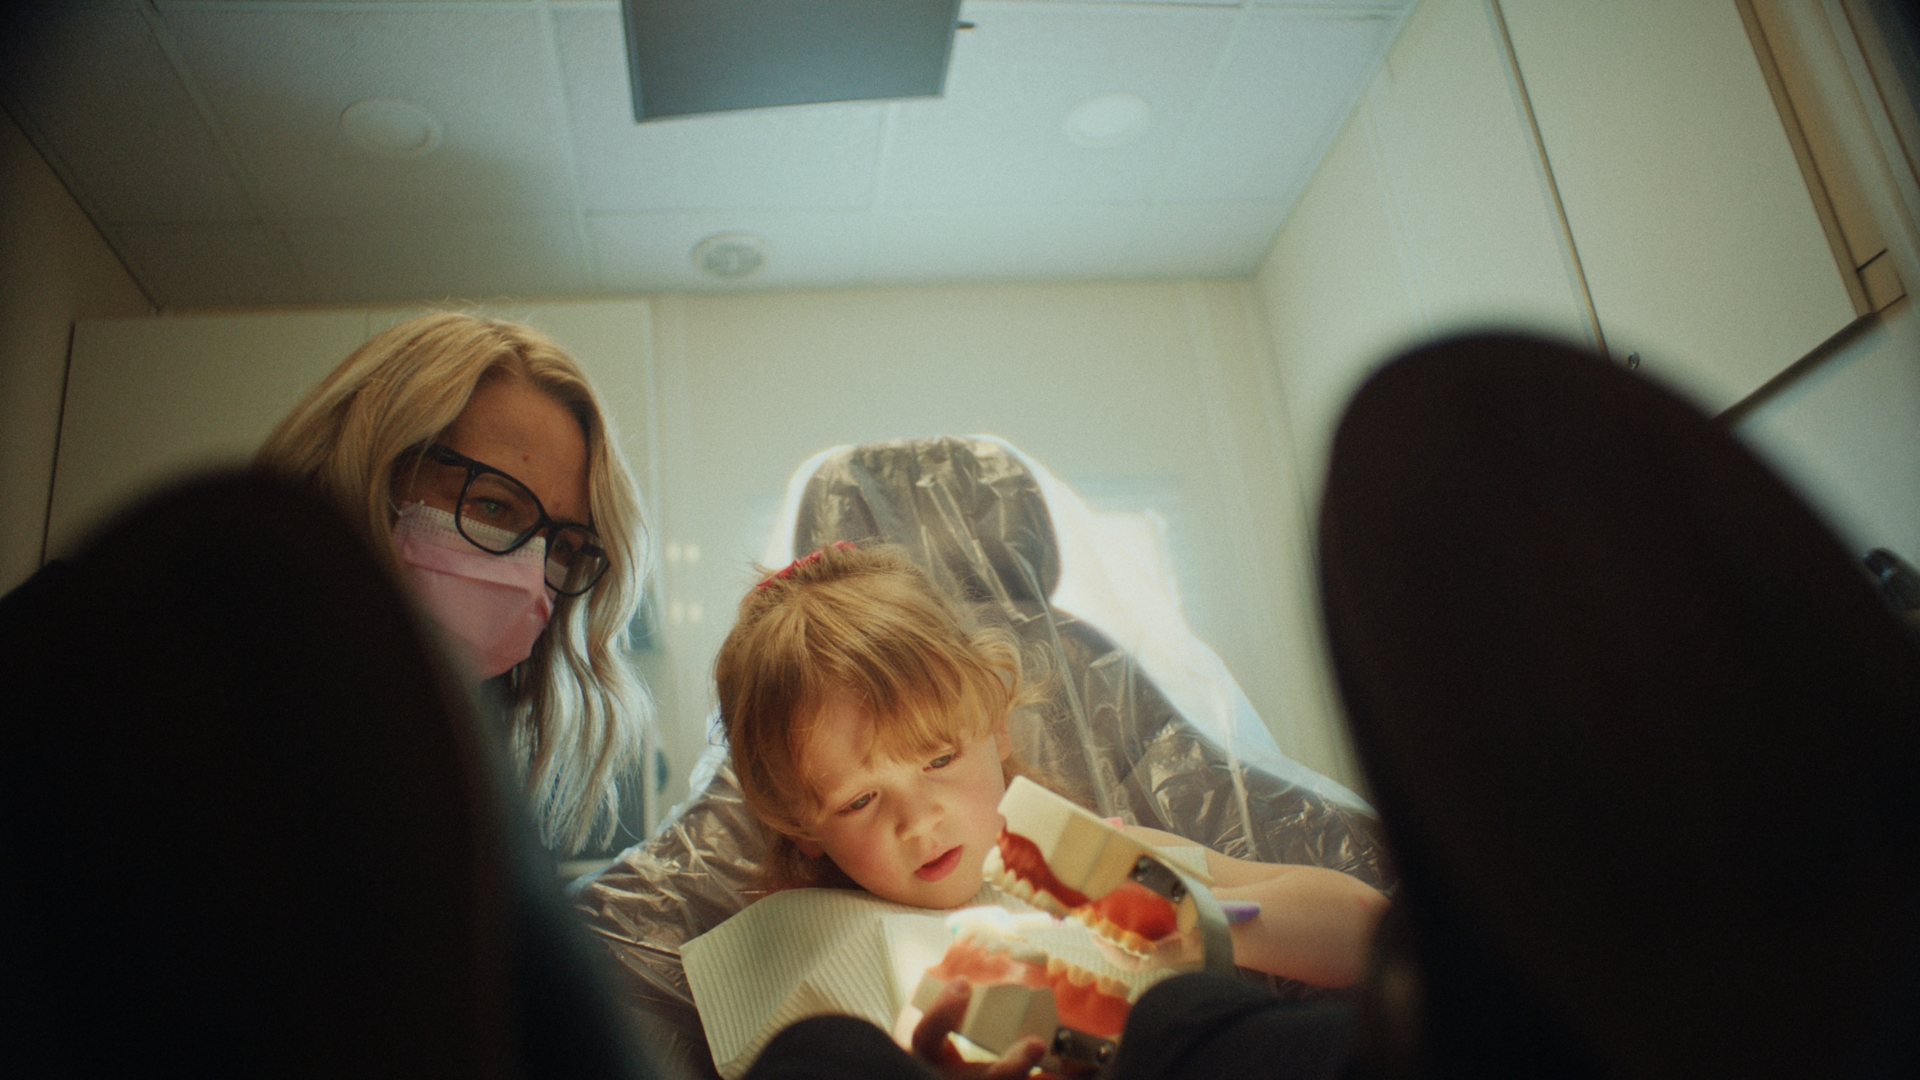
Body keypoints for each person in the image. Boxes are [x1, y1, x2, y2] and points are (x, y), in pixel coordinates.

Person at [714, 541, 1389, 1075]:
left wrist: (1198, 918)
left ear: (996, 724)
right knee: (821, 1054)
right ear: (798, 825)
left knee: (1183, 1012)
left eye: (940, 759)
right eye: (860, 801)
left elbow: (1368, 933)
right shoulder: (799, 951)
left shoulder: (1094, 857)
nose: (919, 822)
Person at [256, 311, 652, 854]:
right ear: (368, 472)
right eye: (492, 506)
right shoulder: (209, 706)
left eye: (563, 545)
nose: (529, 578)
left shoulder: (456, 760)